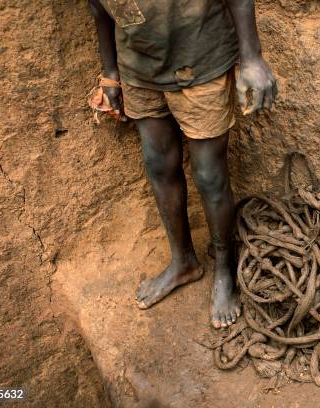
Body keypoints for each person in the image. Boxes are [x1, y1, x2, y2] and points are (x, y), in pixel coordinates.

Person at [88, 0, 277, 328]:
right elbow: (98, 7)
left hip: (200, 59)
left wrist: (251, 58)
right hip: (138, 68)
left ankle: (224, 269)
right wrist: (111, 72)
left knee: (209, 175)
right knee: (158, 165)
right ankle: (183, 261)